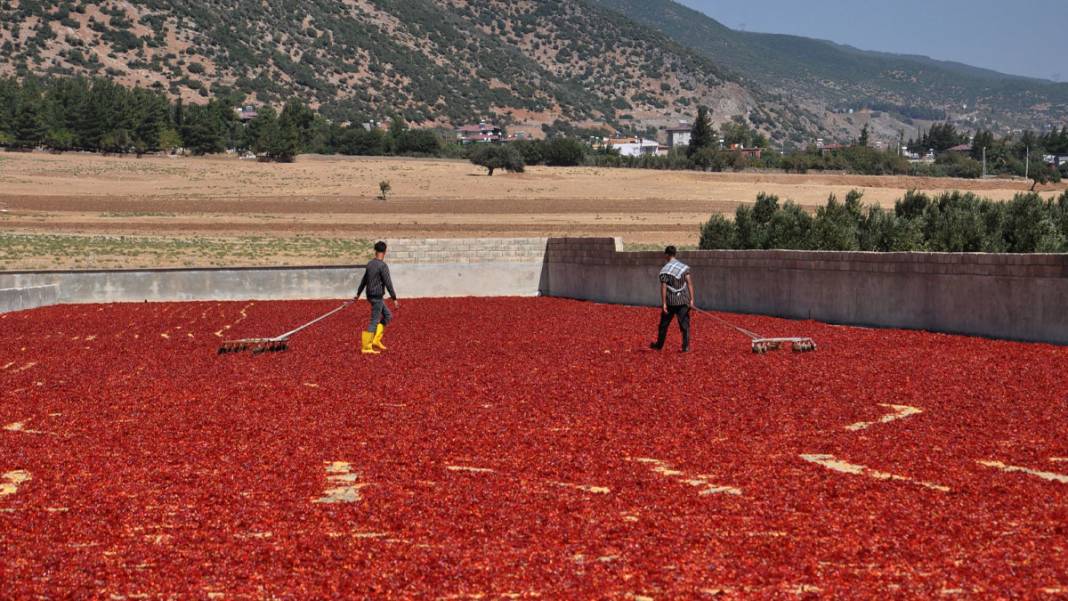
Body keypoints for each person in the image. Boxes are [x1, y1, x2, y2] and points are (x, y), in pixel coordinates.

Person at [355, 241, 399, 355]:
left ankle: (375, 340)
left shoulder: (370, 264)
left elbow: (364, 280)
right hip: (377, 297)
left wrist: (358, 294)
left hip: (371, 296)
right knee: (374, 321)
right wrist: (394, 298)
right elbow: (388, 283)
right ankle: (366, 346)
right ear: (385, 252)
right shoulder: (382, 266)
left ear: (375, 251)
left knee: (388, 315)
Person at [650, 246, 695, 353]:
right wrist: (692, 299)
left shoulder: (665, 270)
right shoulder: (684, 268)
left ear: (666, 255)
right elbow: (689, 283)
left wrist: (664, 303)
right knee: (684, 325)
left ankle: (659, 345)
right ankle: (685, 347)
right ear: (675, 254)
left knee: (663, 325)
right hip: (683, 300)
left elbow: (664, 287)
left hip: (670, 302)